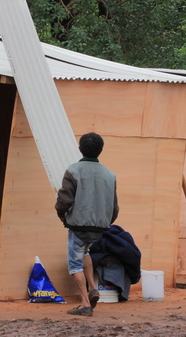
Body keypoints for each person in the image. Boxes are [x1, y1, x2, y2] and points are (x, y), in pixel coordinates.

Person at [54, 132, 119, 317]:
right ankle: (93, 288)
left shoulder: (73, 171)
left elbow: (64, 200)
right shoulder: (110, 175)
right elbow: (114, 207)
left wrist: (62, 216)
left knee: (75, 264)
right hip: (99, 228)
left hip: (78, 227)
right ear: (101, 150)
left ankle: (84, 303)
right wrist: (105, 222)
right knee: (86, 252)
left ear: (80, 148)